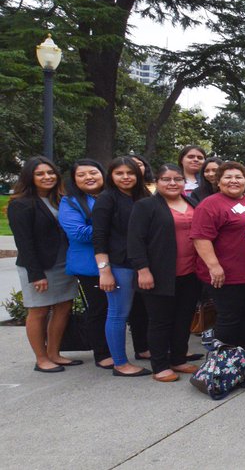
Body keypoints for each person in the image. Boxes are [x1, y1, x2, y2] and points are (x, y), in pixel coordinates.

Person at [126, 164, 202, 382]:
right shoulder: (145, 206)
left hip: (190, 273)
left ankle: (178, 359)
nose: (172, 183)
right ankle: (159, 365)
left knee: (183, 318)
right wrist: (143, 270)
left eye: (177, 179)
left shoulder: (191, 202)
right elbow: (135, 241)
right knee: (160, 320)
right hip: (158, 273)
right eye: (166, 179)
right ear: (157, 182)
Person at [8, 157, 79, 373]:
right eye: (40, 174)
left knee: (63, 307)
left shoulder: (60, 199)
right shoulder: (20, 204)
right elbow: (24, 243)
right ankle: (41, 359)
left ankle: (54, 353)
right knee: (38, 311)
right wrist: (36, 274)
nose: (47, 177)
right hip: (39, 266)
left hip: (63, 264)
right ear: (30, 177)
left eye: (50, 172)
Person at [190, 161, 245, 361]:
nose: (234, 181)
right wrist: (214, 267)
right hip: (225, 276)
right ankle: (225, 362)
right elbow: (200, 238)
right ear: (218, 181)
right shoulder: (210, 204)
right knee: (229, 319)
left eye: (238, 177)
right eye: (228, 177)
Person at [93, 156, 152, 377]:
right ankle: (120, 363)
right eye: (120, 173)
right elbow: (99, 237)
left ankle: (143, 350)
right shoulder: (107, 199)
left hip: (143, 264)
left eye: (130, 173)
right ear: (111, 176)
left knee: (140, 312)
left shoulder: (143, 196)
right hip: (119, 265)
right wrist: (105, 270)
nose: (126, 177)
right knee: (118, 313)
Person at [59, 159, 112, 367]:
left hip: (118, 261)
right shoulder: (70, 202)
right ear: (74, 180)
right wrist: (115, 230)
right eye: (81, 175)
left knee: (118, 309)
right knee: (99, 308)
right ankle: (102, 353)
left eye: (93, 172)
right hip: (89, 265)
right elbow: (78, 233)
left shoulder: (112, 196)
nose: (88, 177)